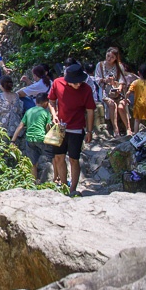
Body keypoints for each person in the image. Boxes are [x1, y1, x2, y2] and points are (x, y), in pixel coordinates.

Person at [48, 62, 96, 196]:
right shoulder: (57, 83)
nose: (78, 85)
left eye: (79, 82)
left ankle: (73, 189)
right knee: (58, 157)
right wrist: (54, 114)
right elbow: (51, 101)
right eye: (75, 83)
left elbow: (90, 110)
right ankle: (63, 186)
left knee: (74, 158)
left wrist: (90, 131)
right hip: (60, 126)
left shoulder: (86, 89)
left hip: (76, 127)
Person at [12, 93, 51, 180]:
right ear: (45, 103)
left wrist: (13, 141)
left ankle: (33, 182)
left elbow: (20, 126)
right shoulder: (46, 112)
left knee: (33, 163)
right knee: (51, 159)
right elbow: (48, 126)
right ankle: (51, 180)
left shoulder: (29, 111)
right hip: (42, 138)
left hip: (29, 139)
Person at [94, 47, 128, 136]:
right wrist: (105, 80)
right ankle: (115, 129)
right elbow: (97, 79)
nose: (109, 59)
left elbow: (122, 79)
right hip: (105, 91)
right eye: (108, 56)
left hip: (117, 91)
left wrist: (119, 86)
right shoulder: (100, 65)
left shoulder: (119, 66)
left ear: (116, 58)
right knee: (112, 105)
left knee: (121, 106)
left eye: (112, 57)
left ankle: (128, 128)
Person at [128, 64, 146, 132]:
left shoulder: (135, 82)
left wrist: (126, 99)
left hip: (138, 104)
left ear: (138, 73)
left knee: (137, 121)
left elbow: (128, 92)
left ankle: (135, 135)